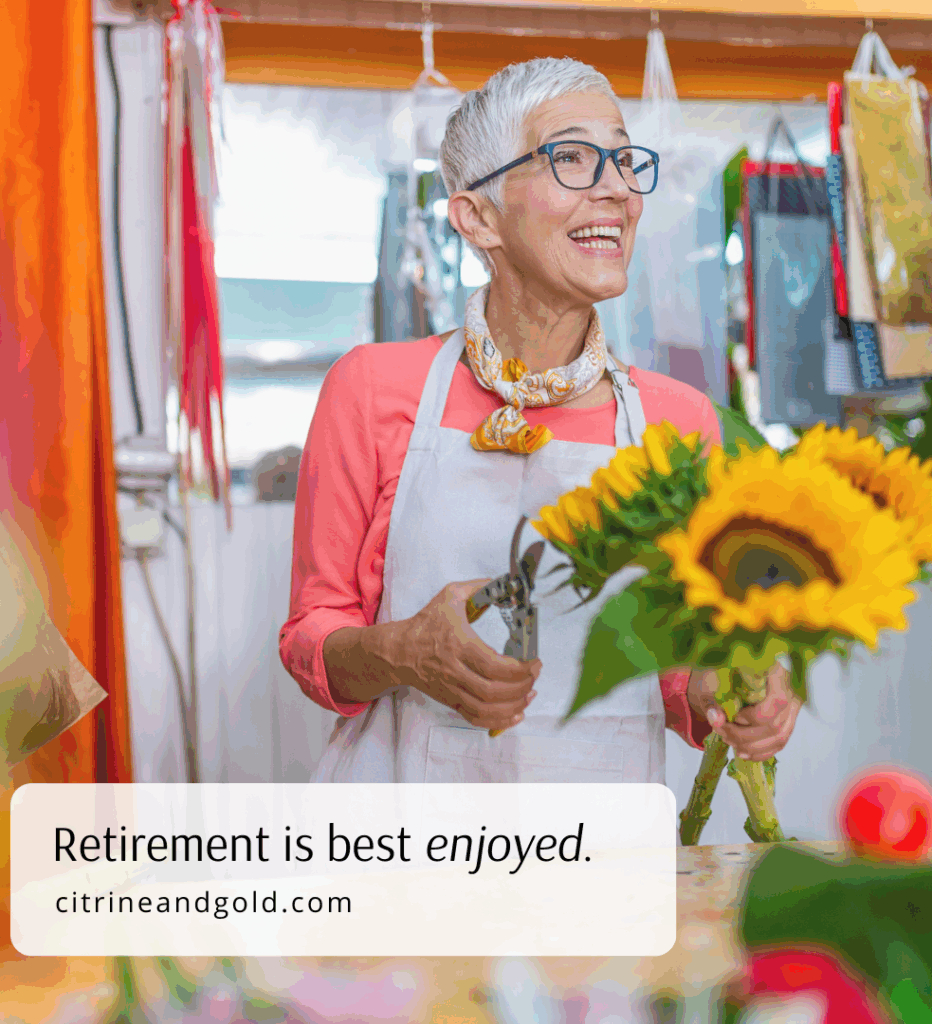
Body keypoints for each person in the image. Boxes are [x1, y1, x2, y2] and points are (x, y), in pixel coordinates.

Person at [280, 57, 801, 784]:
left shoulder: (678, 422)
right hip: (403, 830)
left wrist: (729, 690)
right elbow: (312, 636)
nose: (618, 190)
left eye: (624, 161)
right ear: (478, 216)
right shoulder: (371, 389)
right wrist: (403, 652)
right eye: (574, 158)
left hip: (604, 837)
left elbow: (674, 671)